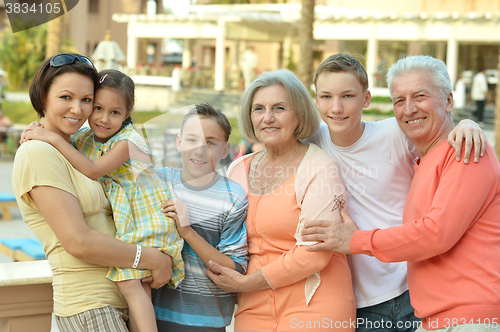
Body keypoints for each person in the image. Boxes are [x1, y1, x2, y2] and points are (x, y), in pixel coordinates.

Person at [302, 55, 500, 331]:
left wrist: (468, 125)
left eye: (420, 96)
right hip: (390, 304)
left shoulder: (458, 149)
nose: (409, 110)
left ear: (366, 98)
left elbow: (436, 233)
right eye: (399, 100)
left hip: (434, 303)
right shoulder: (314, 142)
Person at [13, 53, 173, 332]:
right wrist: (153, 259)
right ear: (43, 97)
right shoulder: (38, 151)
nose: (77, 110)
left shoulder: (82, 145)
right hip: (89, 305)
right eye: (65, 97)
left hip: (120, 298)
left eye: (86, 100)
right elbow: (78, 242)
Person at [208, 69, 356, 331]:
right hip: (253, 307)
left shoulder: (320, 168)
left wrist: (244, 283)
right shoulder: (237, 169)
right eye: (259, 109)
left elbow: (314, 255)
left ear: (299, 113)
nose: (268, 118)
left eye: (279, 108)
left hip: (314, 305)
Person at [152, 103, 249, 332]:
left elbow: (234, 268)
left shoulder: (233, 197)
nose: (199, 149)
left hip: (207, 320)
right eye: (192, 140)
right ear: (179, 142)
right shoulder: (159, 182)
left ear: (225, 150)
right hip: (154, 313)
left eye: (211, 142)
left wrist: (187, 231)